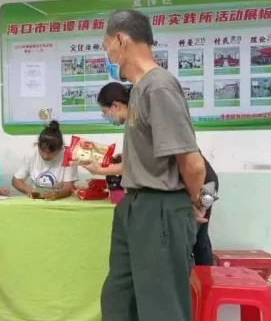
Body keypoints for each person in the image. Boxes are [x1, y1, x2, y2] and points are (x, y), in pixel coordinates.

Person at [95, 10, 207, 321]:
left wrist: (194, 204)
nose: (108, 56)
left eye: (106, 48)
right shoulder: (139, 90)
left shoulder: (159, 86)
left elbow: (193, 164)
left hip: (160, 209)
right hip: (133, 207)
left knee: (162, 313)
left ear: (121, 40)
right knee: (119, 305)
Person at [86, 82, 220, 266]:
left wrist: (100, 170)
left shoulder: (141, 117)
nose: (106, 116)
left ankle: (205, 282)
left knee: (196, 238)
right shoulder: (135, 121)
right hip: (191, 181)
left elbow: (136, 163)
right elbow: (143, 156)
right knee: (190, 238)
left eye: (105, 112)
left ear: (116, 106)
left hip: (202, 181)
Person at [12, 120, 78, 200]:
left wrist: (58, 194)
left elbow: (69, 186)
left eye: (50, 153)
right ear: (37, 145)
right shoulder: (32, 154)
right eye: (42, 151)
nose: (45, 156)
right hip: (37, 202)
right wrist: (29, 190)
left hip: (59, 201)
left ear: (60, 149)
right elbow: (16, 180)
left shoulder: (68, 155)